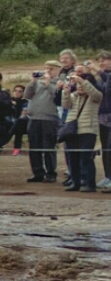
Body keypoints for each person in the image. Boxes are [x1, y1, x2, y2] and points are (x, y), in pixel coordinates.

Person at [63, 61, 103, 192]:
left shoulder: (95, 97)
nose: (79, 87)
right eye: (78, 85)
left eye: (82, 84)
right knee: (72, 158)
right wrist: (66, 92)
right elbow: (66, 105)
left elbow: (95, 94)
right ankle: (76, 182)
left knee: (86, 158)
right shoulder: (74, 96)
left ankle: (89, 183)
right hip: (72, 130)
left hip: (87, 130)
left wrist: (81, 80)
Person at [22, 63, 62, 182]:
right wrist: (33, 82)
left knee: (48, 146)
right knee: (34, 147)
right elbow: (27, 95)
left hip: (49, 119)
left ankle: (51, 174)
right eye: (46, 68)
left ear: (58, 70)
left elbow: (57, 96)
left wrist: (48, 83)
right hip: (34, 118)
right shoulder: (38, 83)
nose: (48, 71)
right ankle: (38, 173)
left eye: (51, 69)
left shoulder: (59, 82)